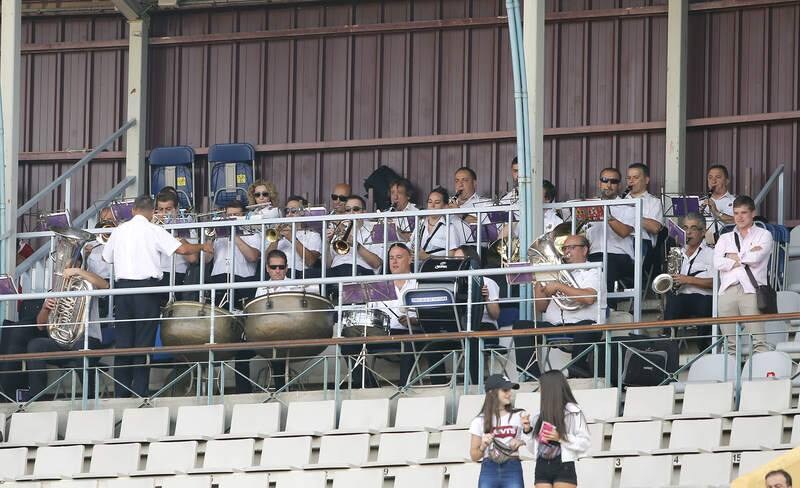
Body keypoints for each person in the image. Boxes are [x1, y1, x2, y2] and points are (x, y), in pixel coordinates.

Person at [102, 194, 212, 397]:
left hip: (122, 290)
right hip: (147, 290)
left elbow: (105, 257)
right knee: (143, 343)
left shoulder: (119, 231)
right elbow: (183, 249)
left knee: (124, 343)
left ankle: (120, 395)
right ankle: (140, 393)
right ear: (152, 212)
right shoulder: (154, 230)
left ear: (134, 210)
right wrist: (203, 246)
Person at [513, 235, 604, 378]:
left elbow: (588, 298)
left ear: (584, 250)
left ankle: (578, 372)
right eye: (564, 248)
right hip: (555, 326)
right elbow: (541, 307)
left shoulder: (593, 271)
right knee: (521, 326)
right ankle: (532, 375)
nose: (567, 251)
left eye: (571, 247)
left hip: (583, 325)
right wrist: (539, 282)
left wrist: (558, 286)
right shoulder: (557, 272)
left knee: (586, 328)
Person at [25, 268, 108, 399]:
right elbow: (40, 326)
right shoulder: (56, 290)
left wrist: (78, 272)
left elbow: (105, 285)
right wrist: (45, 308)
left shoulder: (88, 286)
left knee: (81, 348)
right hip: (61, 343)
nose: (67, 271)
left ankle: (90, 398)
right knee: (35, 345)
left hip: (88, 339)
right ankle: (37, 397)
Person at [348, 243, 419, 387]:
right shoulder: (379, 285)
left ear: (410, 259)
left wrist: (414, 320)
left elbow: (429, 316)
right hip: (383, 334)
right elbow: (371, 315)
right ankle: (368, 385)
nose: (394, 261)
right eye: (391, 258)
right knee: (347, 344)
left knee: (409, 342)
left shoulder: (419, 283)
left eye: (399, 257)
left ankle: (404, 387)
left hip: (411, 333)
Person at [714, 195, 774, 354]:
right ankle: (732, 378)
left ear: (752, 213)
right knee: (729, 344)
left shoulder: (764, 234)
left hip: (752, 290)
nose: (739, 217)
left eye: (743, 212)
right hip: (727, 290)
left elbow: (755, 258)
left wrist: (731, 256)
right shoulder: (724, 237)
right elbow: (717, 263)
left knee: (759, 341)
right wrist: (744, 256)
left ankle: (758, 377)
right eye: (736, 213)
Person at [529, 370, 591, 488]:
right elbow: (533, 449)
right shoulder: (538, 416)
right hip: (541, 465)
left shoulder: (573, 412)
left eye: (541, 387)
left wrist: (560, 437)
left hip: (564, 465)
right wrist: (527, 431)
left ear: (550, 389)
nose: (540, 391)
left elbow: (584, 443)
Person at [469, 374, 531, 488]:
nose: (509, 393)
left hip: (512, 466)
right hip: (489, 468)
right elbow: (474, 456)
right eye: (505, 390)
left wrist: (524, 436)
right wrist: (483, 446)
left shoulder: (520, 415)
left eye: (510, 390)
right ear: (492, 392)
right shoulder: (479, 420)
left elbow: (533, 442)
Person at [452, 245, 500, 385]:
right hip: (459, 325)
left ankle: (475, 384)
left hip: (484, 325)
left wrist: (486, 298)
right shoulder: (453, 282)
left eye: (460, 259)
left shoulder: (487, 282)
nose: (457, 263)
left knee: (472, 338)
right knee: (434, 342)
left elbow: (495, 315)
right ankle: (439, 383)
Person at [663, 213, 714, 345]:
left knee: (704, 305)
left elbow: (716, 283)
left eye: (693, 228)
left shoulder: (712, 253)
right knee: (672, 301)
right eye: (685, 228)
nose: (688, 232)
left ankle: (703, 346)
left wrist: (688, 280)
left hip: (704, 299)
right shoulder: (677, 253)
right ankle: (667, 342)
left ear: (703, 232)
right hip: (681, 298)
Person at [585, 167, 636, 294]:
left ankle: (607, 307)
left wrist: (606, 215)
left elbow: (624, 232)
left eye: (613, 182)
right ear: (599, 183)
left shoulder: (629, 206)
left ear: (619, 185)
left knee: (605, 264)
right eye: (605, 180)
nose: (609, 185)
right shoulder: (589, 205)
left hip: (620, 256)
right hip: (592, 254)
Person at [204, 200, 262, 306]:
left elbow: (253, 257)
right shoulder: (217, 234)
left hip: (242, 282)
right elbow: (206, 259)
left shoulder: (253, 234)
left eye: (236, 215)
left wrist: (234, 234)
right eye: (229, 215)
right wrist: (210, 239)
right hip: (218, 279)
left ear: (244, 216)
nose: (231, 218)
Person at [154, 190, 199, 302]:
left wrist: (174, 232)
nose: (164, 213)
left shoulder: (187, 227)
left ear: (176, 209)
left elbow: (193, 258)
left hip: (176, 275)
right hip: (153, 276)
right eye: (161, 209)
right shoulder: (151, 227)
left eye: (168, 209)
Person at [265, 195, 321, 278]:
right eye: (287, 211)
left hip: (300, 276)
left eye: (293, 211)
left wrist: (292, 239)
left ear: (303, 213)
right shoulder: (279, 233)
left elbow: (310, 261)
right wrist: (276, 239)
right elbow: (266, 259)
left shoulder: (313, 235)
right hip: (277, 276)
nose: (289, 214)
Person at [326, 195, 383, 277]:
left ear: (364, 212)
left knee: (346, 270)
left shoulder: (374, 230)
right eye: (348, 210)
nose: (352, 213)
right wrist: (327, 243)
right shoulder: (339, 229)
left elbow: (377, 264)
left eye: (356, 209)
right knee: (309, 274)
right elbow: (327, 265)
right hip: (336, 271)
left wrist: (356, 245)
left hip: (360, 272)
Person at [416, 187, 464, 260]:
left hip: (437, 268)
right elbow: (410, 246)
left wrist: (427, 257)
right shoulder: (419, 224)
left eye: (437, 202)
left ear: (445, 206)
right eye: (430, 202)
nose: (432, 206)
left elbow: (452, 255)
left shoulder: (449, 228)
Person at [625, 163, 664, 251]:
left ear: (646, 180)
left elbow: (655, 228)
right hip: (621, 245)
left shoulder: (654, 202)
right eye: (629, 178)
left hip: (642, 245)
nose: (631, 181)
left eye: (635, 177)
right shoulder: (620, 201)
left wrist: (629, 214)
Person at [449, 167, 491, 246]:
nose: (460, 185)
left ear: (474, 183)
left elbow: (486, 229)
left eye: (464, 180)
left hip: (473, 250)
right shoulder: (447, 204)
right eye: (457, 181)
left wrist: (459, 212)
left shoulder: (484, 204)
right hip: (449, 250)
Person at [255, 250, 319, 297]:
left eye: (281, 267)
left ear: (286, 268)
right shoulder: (261, 288)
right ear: (267, 268)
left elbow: (318, 290)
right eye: (273, 267)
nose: (277, 271)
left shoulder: (296, 286)